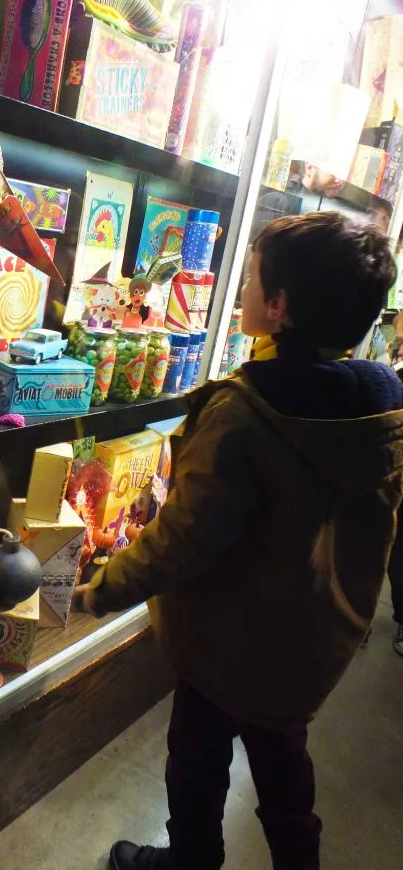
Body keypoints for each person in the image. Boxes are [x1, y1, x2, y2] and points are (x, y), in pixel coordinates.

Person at [76, 213, 403, 870]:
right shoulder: (382, 406)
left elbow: (182, 540)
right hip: (312, 644)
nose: (243, 290)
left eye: (251, 279)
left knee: (196, 765)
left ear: (278, 307)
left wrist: (103, 589)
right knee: (286, 773)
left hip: (227, 643)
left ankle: (190, 861)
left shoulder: (245, 416)